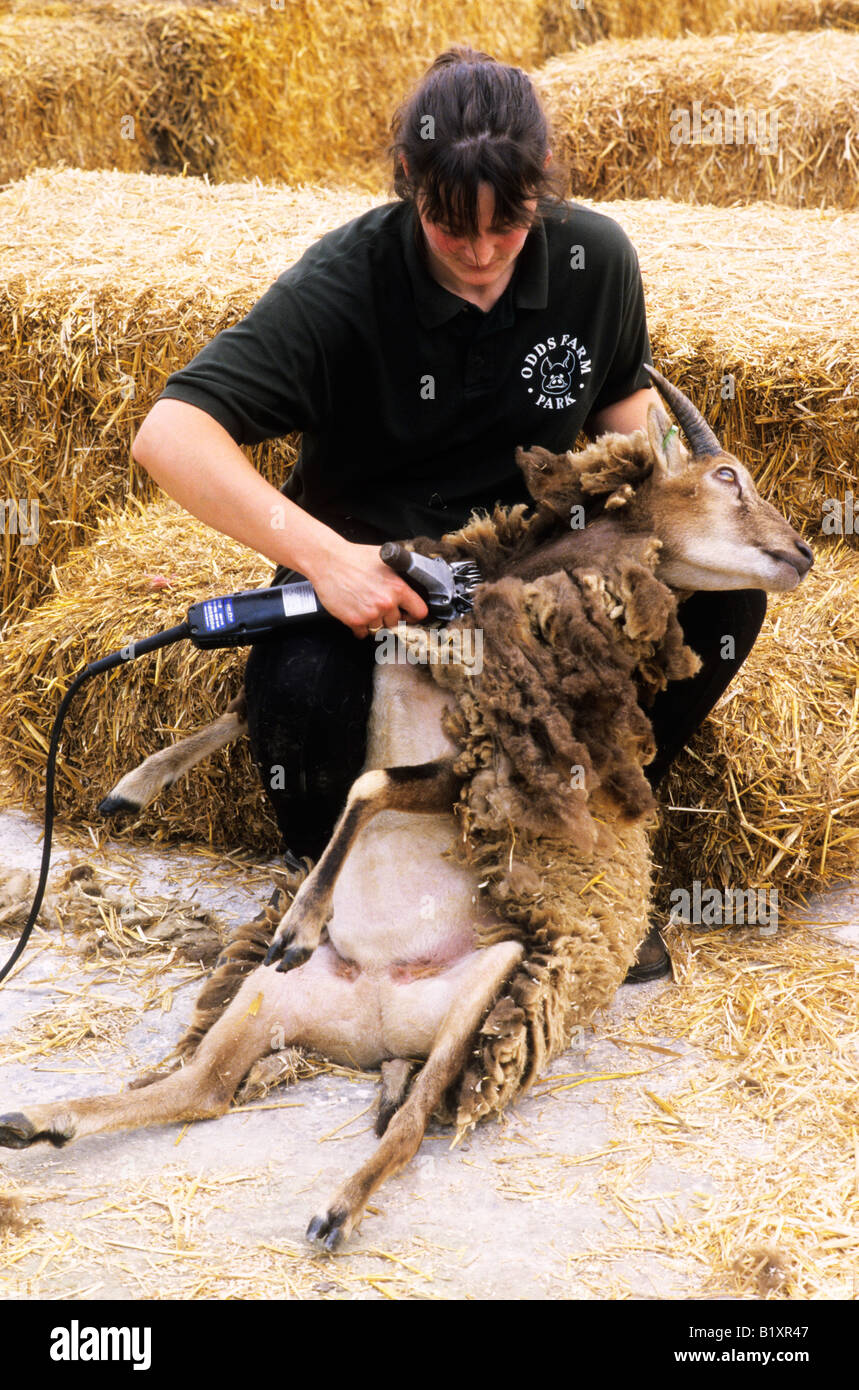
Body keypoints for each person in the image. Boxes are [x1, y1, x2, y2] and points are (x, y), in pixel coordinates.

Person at [131, 46, 766, 981]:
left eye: (506, 225)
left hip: (535, 564)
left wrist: (676, 510)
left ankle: (583, 857)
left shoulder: (597, 262)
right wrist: (326, 559)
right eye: (446, 224)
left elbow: (622, 412)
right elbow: (169, 434)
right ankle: (339, 887)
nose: (478, 254)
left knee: (721, 607)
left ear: (540, 192)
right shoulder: (341, 287)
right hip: (384, 570)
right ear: (407, 185)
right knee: (300, 692)